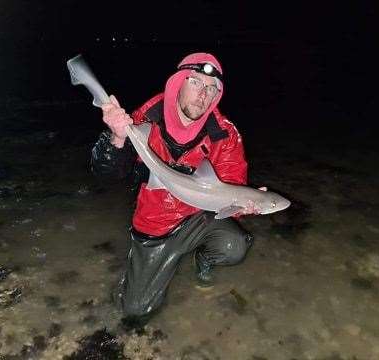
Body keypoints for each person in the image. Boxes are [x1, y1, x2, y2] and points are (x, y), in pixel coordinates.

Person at [91, 52, 260, 324]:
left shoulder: (225, 134)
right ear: (178, 83)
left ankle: (204, 258)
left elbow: (233, 185)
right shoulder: (144, 119)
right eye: (195, 83)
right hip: (155, 224)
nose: (203, 94)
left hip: (197, 217)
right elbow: (107, 175)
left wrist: (245, 205)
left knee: (234, 244)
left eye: (211, 88)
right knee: (134, 311)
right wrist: (117, 138)